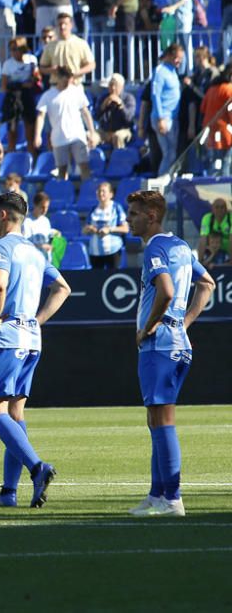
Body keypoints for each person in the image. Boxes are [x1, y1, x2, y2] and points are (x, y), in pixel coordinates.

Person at [125, 190, 215, 517]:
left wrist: (148, 327)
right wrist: (185, 322)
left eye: (134, 213)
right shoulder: (179, 245)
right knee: (156, 419)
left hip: (159, 345)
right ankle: (157, 493)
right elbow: (207, 284)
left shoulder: (155, 248)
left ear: (151, 216)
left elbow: (166, 290)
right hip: (178, 343)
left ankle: (173, 498)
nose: (129, 218)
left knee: (162, 420)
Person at [0, 192, 71, 509]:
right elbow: (63, 288)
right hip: (32, 338)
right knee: (15, 413)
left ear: (3, 215)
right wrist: (38, 321)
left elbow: (0, 286)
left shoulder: (1, 246)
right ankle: (8, 492)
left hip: (7, 337)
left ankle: (37, 468)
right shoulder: (34, 252)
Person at [34, 67, 98, 181]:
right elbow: (41, 116)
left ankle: (86, 191)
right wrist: (37, 135)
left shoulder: (77, 91)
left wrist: (92, 132)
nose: (68, 82)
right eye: (65, 80)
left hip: (77, 136)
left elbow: (85, 112)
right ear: (58, 78)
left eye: (70, 79)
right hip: (59, 138)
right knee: (62, 169)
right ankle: (62, 191)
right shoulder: (48, 95)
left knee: (84, 165)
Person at [0, 36, 40, 155]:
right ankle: (12, 154)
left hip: (27, 96)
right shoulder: (8, 64)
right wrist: (21, 85)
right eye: (11, 49)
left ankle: (31, 155)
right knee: (12, 129)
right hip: (14, 96)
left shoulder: (31, 60)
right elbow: (4, 86)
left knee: (30, 126)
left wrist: (33, 79)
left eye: (16, 49)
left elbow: (36, 76)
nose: (14, 52)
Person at [151, 42, 184, 177]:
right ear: (169, 56)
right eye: (177, 58)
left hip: (172, 117)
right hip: (164, 117)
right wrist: (160, 118)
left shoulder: (173, 72)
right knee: (169, 153)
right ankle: (162, 182)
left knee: (173, 153)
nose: (179, 61)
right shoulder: (160, 71)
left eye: (181, 59)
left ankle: (169, 180)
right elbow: (156, 95)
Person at [38, 14, 95, 85]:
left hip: (75, 85)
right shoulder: (50, 45)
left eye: (65, 24)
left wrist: (76, 72)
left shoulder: (81, 43)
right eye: (60, 24)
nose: (62, 27)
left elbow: (91, 65)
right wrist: (53, 70)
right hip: (56, 86)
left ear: (71, 25)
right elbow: (42, 67)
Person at [83, 182, 128, 269]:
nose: (101, 193)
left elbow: (125, 228)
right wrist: (90, 229)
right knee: (96, 279)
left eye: (103, 191)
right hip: (95, 252)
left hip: (113, 250)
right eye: (99, 191)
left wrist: (109, 229)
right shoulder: (93, 209)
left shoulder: (116, 208)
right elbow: (84, 230)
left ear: (111, 194)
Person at [199, 63, 232, 177]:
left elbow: (203, 109)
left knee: (214, 163)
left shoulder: (211, 89)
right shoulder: (229, 89)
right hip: (225, 134)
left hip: (210, 132)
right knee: (226, 163)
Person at [95, 73, 136, 149]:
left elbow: (129, 118)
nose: (113, 88)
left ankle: (119, 159)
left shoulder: (129, 98)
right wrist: (104, 105)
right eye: (111, 85)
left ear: (121, 87)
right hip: (105, 130)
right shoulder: (103, 97)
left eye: (116, 85)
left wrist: (121, 105)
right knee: (90, 136)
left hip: (123, 129)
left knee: (117, 136)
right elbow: (96, 116)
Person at [161, 0, 192, 76]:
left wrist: (172, 7)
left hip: (183, 21)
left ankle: (186, 72)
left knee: (184, 47)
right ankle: (180, 71)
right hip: (177, 22)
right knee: (179, 46)